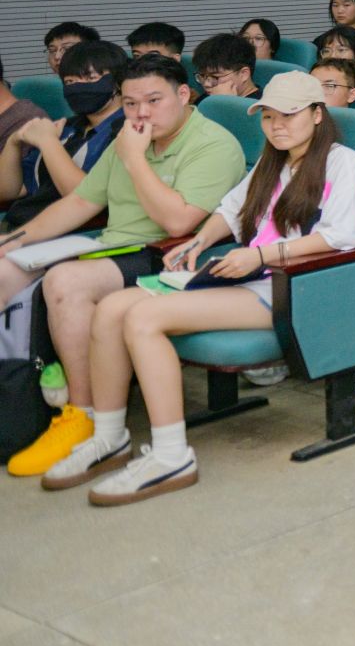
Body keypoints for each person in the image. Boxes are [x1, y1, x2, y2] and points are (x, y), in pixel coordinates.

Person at [44, 71, 355, 503]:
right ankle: (109, 437)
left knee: (143, 317)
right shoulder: (273, 160)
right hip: (251, 276)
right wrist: (198, 242)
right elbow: (232, 210)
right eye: (268, 117)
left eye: (288, 115)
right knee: (110, 309)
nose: (277, 126)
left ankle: (172, 456)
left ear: (317, 114)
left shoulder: (342, 161)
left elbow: (341, 236)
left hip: (296, 284)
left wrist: (260, 256)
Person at [1, 54, 248, 479]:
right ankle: (16, 403)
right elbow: (81, 202)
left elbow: (178, 222)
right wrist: (12, 242)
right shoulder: (129, 138)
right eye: (131, 104)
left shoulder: (214, 144)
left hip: (166, 253)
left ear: (184, 94)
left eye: (153, 101)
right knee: (5, 269)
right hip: (110, 244)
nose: (141, 113)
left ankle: (83, 415)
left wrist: (134, 158)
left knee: (65, 281)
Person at [0, 39, 125, 228]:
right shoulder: (67, 127)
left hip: (70, 233)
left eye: (90, 78)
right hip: (18, 225)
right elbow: (10, 191)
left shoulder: (125, 131)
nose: (78, 87)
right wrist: (13, 141)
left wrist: (48, 142)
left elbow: (83, 198)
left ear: (118, 81)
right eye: (70, 81)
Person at [191, 33, 260, 100]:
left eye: (215, 77)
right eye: (202, 76)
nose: (206, 84)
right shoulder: (205, 98)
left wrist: (226, 103)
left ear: (243, 74)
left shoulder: (261, 105)